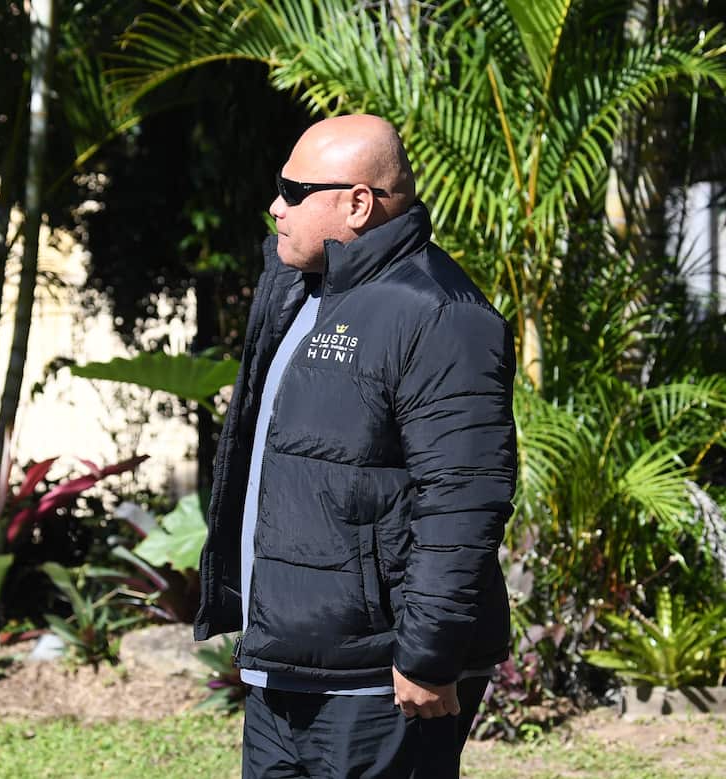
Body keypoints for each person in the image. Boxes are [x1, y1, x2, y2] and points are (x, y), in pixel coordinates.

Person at [196, 114, 517, 778]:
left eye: (293, 191)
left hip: (379, 682)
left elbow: (462, 501)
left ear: (358, 203)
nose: (275, 207)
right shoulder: (294, 286)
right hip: (284, 668)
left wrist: (426, 656)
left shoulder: (441, 315)